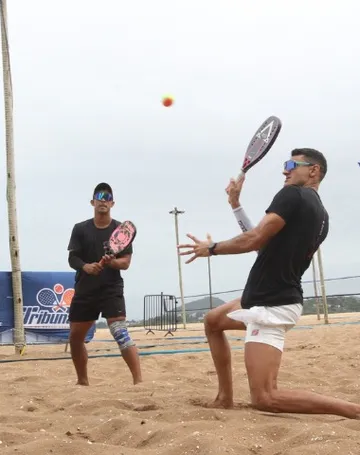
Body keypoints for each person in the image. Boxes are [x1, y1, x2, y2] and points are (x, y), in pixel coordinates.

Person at [178, 148, 360, 419]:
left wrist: (212, 247)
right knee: (213, 321)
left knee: (265, 397)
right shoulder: (321, 215)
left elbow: (254, 239)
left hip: (272, 306)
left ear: (314, 170)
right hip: (271, 298)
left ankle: (354, 410)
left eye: (291, 164)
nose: (285, 170)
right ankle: (224, 398)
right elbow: (261, 244)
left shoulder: (292, 195)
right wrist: (235, 205)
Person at [67, 182, 142, 386]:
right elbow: (72, 259)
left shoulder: (121, 230)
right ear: (92, 201)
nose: (103, 200)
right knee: (75, 337)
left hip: (110, 288)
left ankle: (139, 382)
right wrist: (86, 267)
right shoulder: (80, 229)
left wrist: (111, 262)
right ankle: (82, 381)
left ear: (112, 203)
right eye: (99, 196)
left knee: (120, 331)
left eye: (107, 197)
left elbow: (125, 263)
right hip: (85, 289)